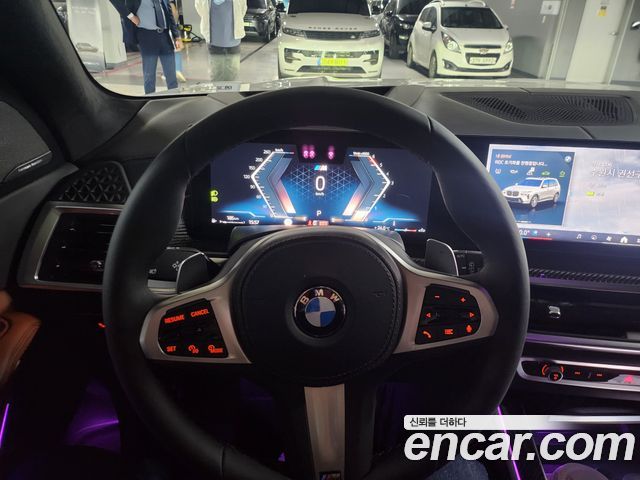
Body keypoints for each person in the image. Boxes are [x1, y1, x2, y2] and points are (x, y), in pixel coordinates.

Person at [110, 0, 183, 94]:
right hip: (147, 37)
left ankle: (173, 96)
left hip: (165, 36)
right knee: (149, 75)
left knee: (171, 75)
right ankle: (150, 97)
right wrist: (131, 16)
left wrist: (176, 36)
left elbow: (169, 15)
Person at [195, 0, 247, 81]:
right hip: (214, 41)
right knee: (216, 73)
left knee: (233, 73)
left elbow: (242, 10)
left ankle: (231, 89)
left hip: (233, 41)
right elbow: (200, 9)